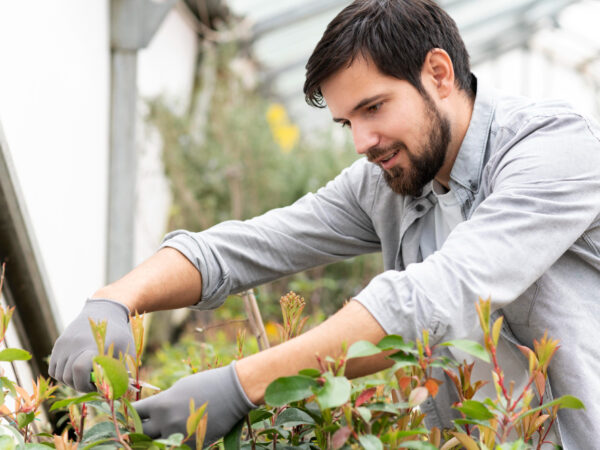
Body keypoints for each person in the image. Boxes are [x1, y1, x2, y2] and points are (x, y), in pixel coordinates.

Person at [49, 0, 600, 447]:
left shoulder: (553, 151)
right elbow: (248, 247)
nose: (363, 143)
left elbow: (430, 299)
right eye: (348, 122)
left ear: (438, 73)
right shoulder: (391, 178)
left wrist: (242, 385)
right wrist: (117, 299)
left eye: (374, 108)